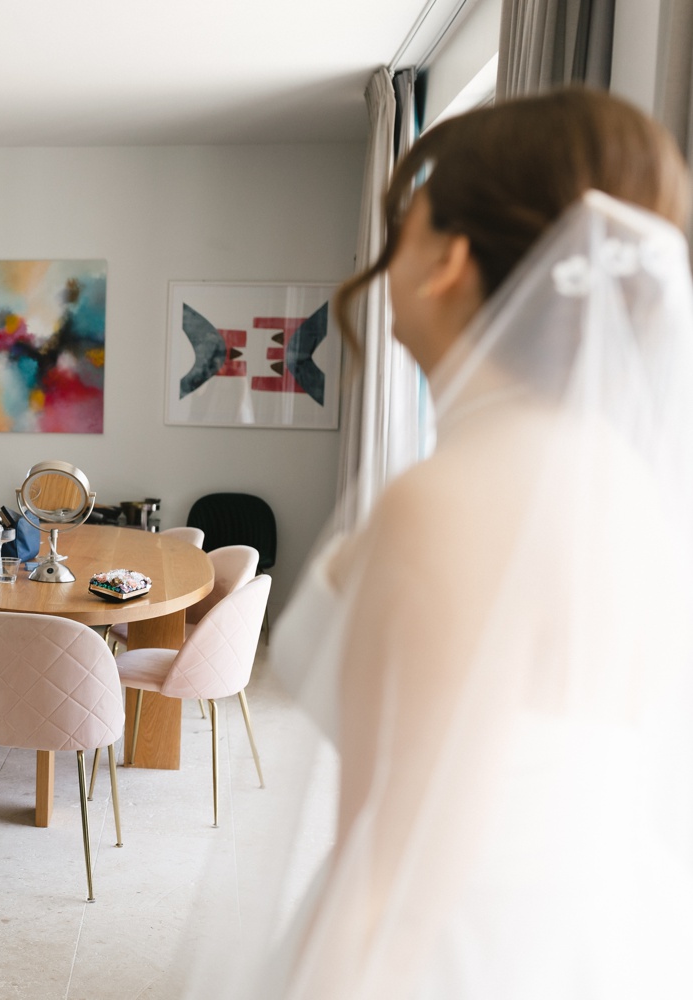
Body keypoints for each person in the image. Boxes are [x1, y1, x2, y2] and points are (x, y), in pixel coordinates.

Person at [191, 89, 693, 998]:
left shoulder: (450, 498)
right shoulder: (630, 484)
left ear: (448, 260)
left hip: (457, 956)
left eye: (403, 233)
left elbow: (392, 871)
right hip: (606, 939)